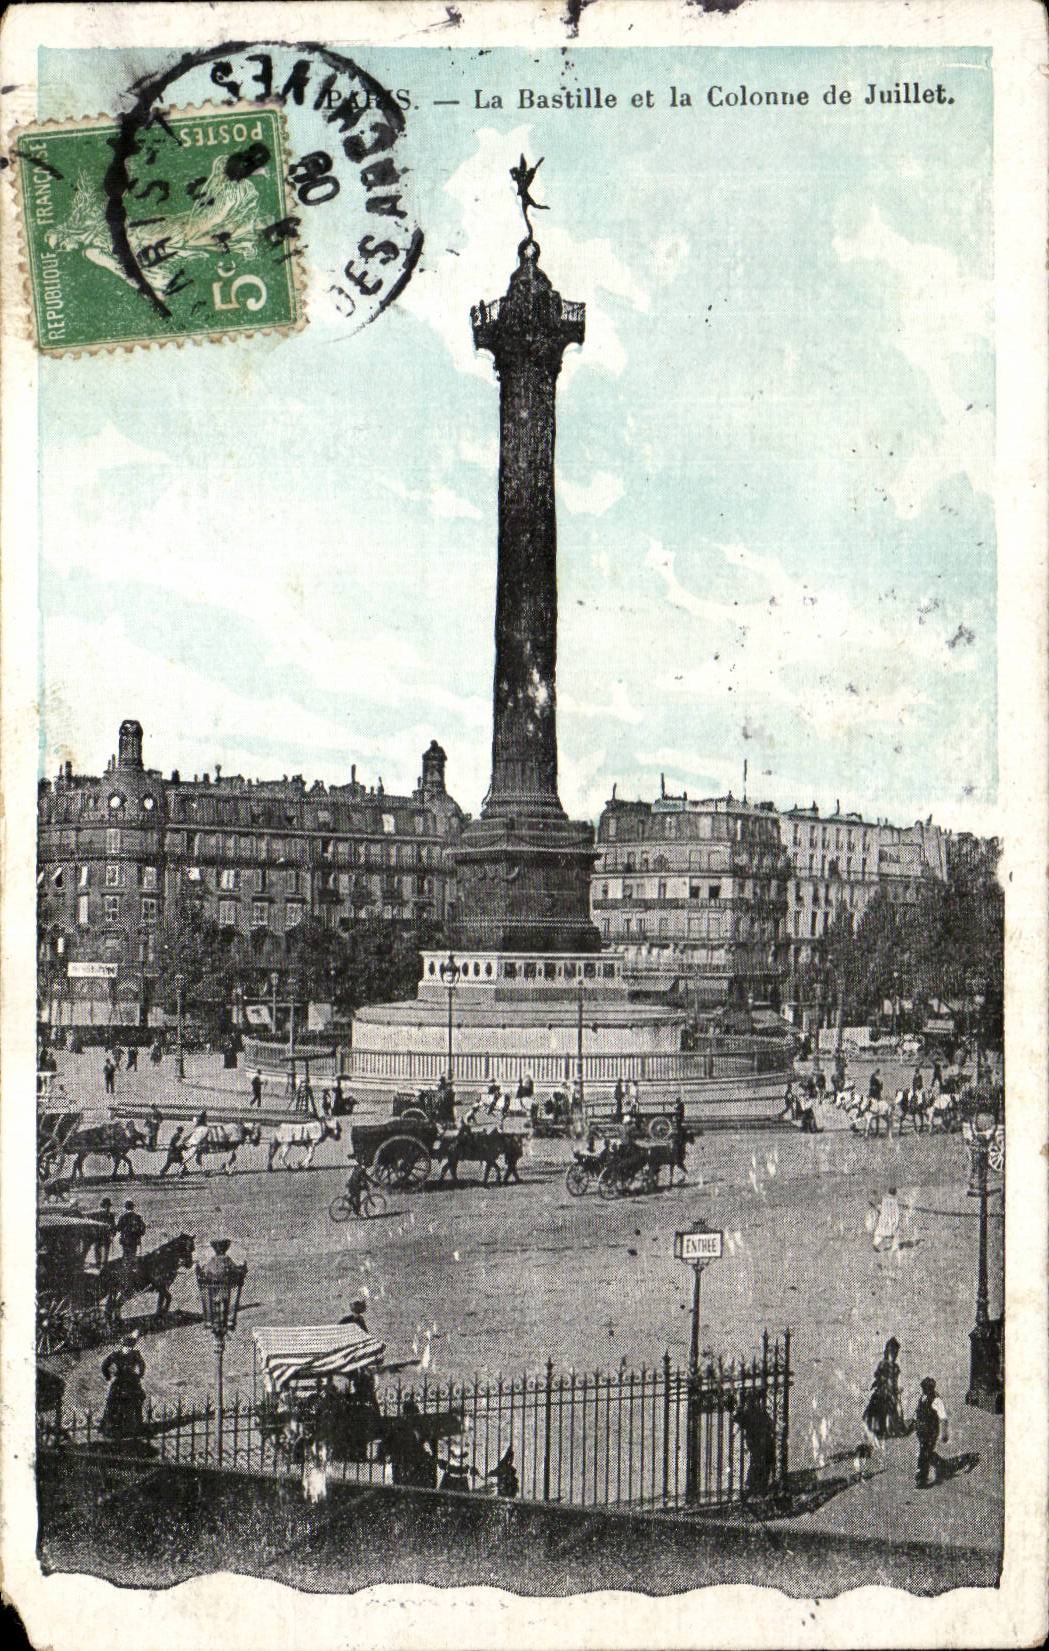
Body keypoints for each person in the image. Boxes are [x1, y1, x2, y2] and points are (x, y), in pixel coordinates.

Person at [100, 1332, 147, 1441]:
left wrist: (140, 1375)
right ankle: (115, 1430)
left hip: (132, 1382)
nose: (129, 1349)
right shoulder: (115, 1355)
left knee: (133, 1404)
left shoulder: (135, 1354)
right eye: (127, 1347)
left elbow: (142, 1365)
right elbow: (104, 1366)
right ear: (123, 1346)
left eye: (130, 1347)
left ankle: (133, 1429)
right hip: (120, 1382)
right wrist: (108, 1377)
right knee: (116, 1405)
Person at [862, 1337, 907, 1439]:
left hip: (890, 1392)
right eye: (893, 1352)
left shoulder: (895, 1367)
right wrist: (881, 1383)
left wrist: (896, 1389)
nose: (895, 1355)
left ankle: (893, 1429)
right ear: (887, 1352)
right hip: (883, 1392)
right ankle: (880, 1430)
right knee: (879, 1410)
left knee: (894, 1410)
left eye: (896, 1353)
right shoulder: (884, 1364)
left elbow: (894, 1381)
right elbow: (878, 1377)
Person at [910, 1376, 949, 1487]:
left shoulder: (936, 1400)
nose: (924, 1390)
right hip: (922, 1430)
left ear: (931, 1388)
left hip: (931, 1431)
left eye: (926, 1388)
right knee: (926, 1451)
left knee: (924, 1453)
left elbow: (943, 1418)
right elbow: (918, 1412)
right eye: (923, 1388)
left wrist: (944, 1433)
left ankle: (921, 1478)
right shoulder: (923, 1397)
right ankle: (942, 1465)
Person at [870, 1187, 900, 1253]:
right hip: (891, 1219)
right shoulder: (895, 1200)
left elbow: (879, 1206)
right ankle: (894, 1246)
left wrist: (875, 1205)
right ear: (895, 1192)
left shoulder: (884, 1198)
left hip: (884, 1218)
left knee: (880, 1232)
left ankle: (875, 1243)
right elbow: (896, 1211)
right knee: (895, 1231)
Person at [90, 1197, 115, 1269]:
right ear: (106, 1206)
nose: (109, 1207)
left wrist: (92, 1233)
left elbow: (91, 1224)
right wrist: (113, 1234)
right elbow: (113, 1226)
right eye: (109, 1206)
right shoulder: (110, 1215)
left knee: (97, 1250)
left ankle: (98, 1265)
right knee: (105, 1251)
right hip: (106, 1235)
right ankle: (104, 1266)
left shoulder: (94, 1213)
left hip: (97, 1235)